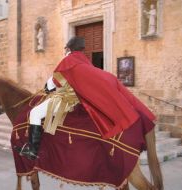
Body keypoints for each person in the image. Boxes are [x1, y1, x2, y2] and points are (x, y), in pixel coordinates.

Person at [16, 36, 155, 160]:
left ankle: (32, 150)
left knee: (35, 112)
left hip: (66, 99)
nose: (65, 51)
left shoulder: (68, 61)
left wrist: (47, 87)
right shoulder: (85, 62)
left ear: (69, 49)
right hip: (78, 100)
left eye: (66, 49)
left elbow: (54, 82)